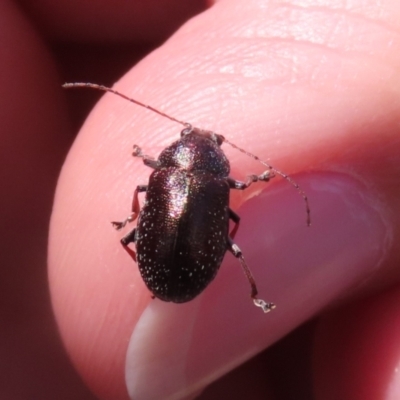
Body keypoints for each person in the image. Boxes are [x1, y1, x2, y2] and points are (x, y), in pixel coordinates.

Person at [2, 1, 399, 399]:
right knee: (235, 247)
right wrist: (260, 178)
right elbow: (237, 204)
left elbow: (152, 192)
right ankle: (253, 295)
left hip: (167, 271)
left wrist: (136, 205)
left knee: (138, 235)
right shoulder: (217, 183)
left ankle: (232, 285)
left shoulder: (162, 174)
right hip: (186, 269)